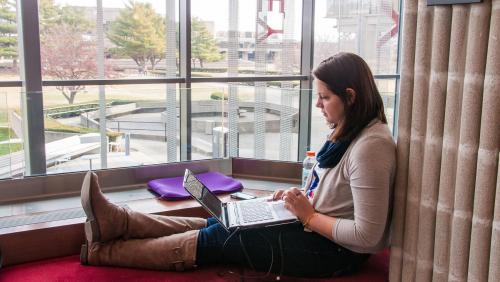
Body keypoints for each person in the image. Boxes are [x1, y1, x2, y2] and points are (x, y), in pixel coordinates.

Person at [79, 52, 396, 278]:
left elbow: (368, 237)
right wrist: (297, 198)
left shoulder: (371, 147)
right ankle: (119, 223)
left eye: (325, 97)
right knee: (223, 223)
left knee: (224, 238)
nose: (317, 104)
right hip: (314, 230)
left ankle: (104, 252)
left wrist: (309, 215)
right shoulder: (350, 131)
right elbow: (336, 195)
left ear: (351, 96)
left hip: (332, 253)